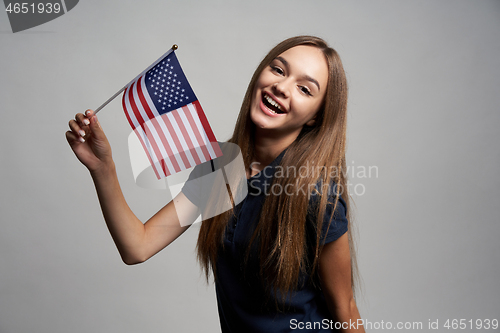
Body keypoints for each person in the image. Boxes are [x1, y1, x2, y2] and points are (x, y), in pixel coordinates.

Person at [66, 35, 365, 332]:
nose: (281, 87)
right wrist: (103, 168)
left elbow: (345, 308)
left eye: (304, 89)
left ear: (315, 118)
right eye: (278, 69)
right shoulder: (220, 170)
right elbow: (137, 246)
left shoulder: (317, 195)